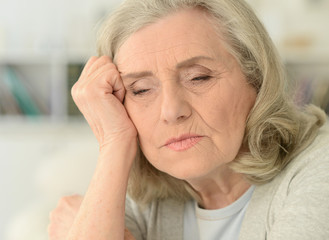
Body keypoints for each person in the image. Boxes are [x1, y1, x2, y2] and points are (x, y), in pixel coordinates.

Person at [48, 0, 329, 239]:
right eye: (141, 90)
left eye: (198, 77)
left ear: (256, 79)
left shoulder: (319, 168)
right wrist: (114, 143)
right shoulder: (149, 200)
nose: (171, 111)